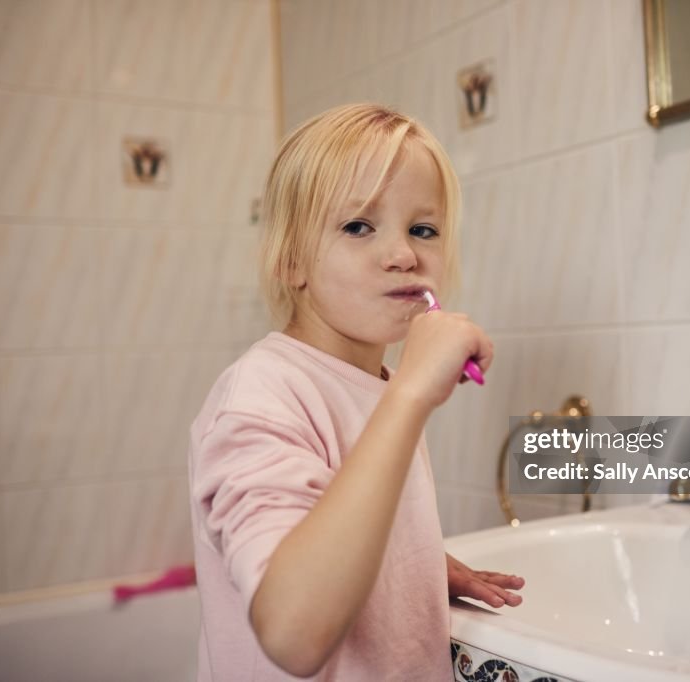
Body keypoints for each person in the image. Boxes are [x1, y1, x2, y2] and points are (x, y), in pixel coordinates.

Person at [187, 103, 525, 681]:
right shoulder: (261, 394)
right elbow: (292, 632)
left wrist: (408, 566)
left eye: (423, 229)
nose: (404, 255)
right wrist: (412, 394)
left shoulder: (375, 385)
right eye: (358, 226)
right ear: (292, 259)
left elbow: (327, 521)